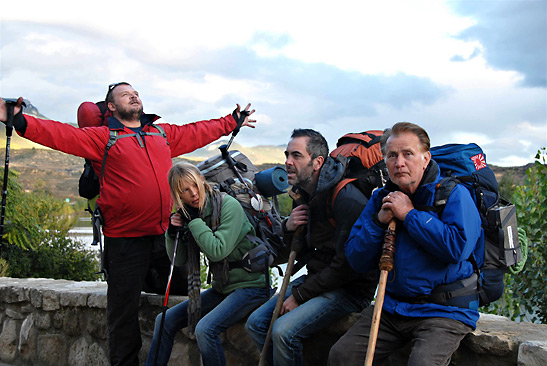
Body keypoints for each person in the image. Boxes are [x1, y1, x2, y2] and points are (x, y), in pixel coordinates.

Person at [0, 83, 256, 366]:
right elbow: (61, 135)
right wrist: (19, 119)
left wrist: (232, 121)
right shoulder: (104, 137)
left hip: (164, 235)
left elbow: (196, 131)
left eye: (135, 92)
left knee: (183, 292)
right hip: (125, 242)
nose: (133, 96)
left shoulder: (161, 133)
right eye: (125, 94)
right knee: (123, 313)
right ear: (111, 106)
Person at [328, 122, 483, 366]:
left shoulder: (453, 194)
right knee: (342, 356)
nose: (399, 162)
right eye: (392, 155)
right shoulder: (381, 199)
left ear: (425, 158)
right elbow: (356, 258)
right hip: (393, 308)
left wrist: (409, 215)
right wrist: (379, 223)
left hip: (444, 310)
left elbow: (457, 248)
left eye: (407, 154)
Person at [245, 129, 378, 366]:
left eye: (296, 155)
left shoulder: (345, 198)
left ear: (317, 162)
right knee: (256, 324)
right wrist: (288, 228)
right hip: (319, 278)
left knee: (283, 332)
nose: (287, 162)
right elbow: (294, 253)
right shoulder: (308, 195)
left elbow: (348, 265)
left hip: (350, 288)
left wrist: (301, 295)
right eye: (287, 154)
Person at [146, 162, 271, 366]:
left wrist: (194, 222)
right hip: (223, 287)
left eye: (195, 185)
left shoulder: (228, 205)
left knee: (205, 330)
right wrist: (173, 233)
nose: (194, 193)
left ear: (202, 180)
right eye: (185, 190)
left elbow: (217, 250)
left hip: (252, 286)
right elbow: (179, 260)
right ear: (178, 195)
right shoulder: (191, 212)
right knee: (164, 321)